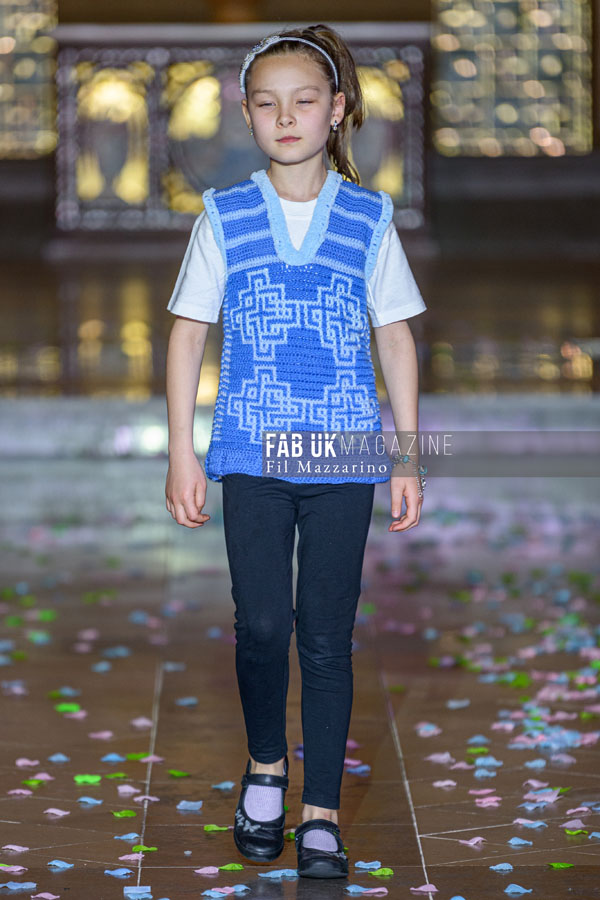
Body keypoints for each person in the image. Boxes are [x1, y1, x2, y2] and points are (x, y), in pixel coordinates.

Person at [164, 23, 427, 879]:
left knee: (324, 635)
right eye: (268, 103)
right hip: (250, 450)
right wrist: (181, 452)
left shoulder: (367, 217)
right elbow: (188, 332)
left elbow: (394, 335)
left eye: (305, 101)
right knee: (263, 625)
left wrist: (406, 454)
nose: (286, 117)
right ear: (246, 114)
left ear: (337, 109)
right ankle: (266, 767)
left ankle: (319, 813)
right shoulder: (227, 216)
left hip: (343, 454)